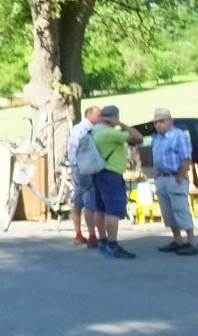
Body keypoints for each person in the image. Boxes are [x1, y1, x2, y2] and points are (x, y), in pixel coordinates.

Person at [91, 105, 143, 259]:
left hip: (98, 172)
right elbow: (138, 137)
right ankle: (113, 245)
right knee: (112, 210)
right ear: (114, 116)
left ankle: (103, 241)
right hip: (111, 172)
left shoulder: (94, 130)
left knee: (100, 209)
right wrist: (120, 124)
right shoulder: (110, 133)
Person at [150, 107, 196, 255]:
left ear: (171, 121)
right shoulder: (156, 137)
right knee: (167, 212)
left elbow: (186, 158)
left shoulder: (179, 136)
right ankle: (177, 240)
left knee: (180, 209)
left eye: (162, 121)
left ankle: (191, 241)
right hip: (161, 178)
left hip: (175, 177)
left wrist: (180, 177)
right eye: (156, 122)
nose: (159, 125)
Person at [66, 105, 102, 249]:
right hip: (84, 168)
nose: (100, 118)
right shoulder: (88, 130)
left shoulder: (77, 128)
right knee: (90, 202)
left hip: (75, 167)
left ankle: (78, 234)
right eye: (98, 115)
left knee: (78, 201)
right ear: (89, 115)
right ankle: (93, 236)